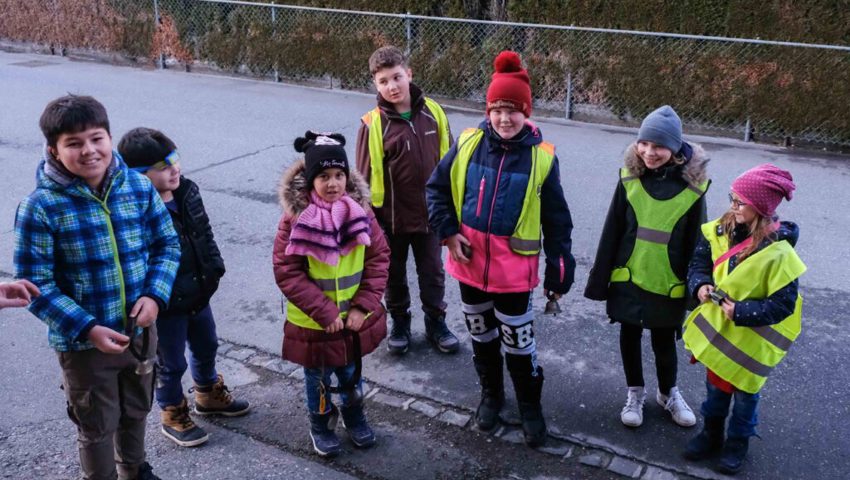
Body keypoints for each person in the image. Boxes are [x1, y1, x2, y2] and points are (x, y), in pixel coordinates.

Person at [14, 95, 180, 480]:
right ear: (53, 150)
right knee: (96, 423)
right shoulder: (41, 207)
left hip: (139, 330)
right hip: (84, 346)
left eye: (96, 138)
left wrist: (154, 295)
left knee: (137, 407)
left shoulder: (138, 188)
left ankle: (135, 469)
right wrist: (86, 327)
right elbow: (35, 283)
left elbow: (166, 245)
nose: (89, 150)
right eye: (74, 143)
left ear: (109, 137)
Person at [426, 51, 575, 447]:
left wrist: (560, 271)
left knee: (519, 344)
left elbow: (557, 220)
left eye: (513, 111)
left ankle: (529, 406)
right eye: (497, 110)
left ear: (526, 113)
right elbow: (436, 190)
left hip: (514, 276)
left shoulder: (542, 160)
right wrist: (447, 232)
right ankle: (491, 395)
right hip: (469, 266)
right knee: (482, 338)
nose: (505, 119)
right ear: (487, 111)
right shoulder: (468, 143)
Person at [118, 128, 250, 448]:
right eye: (163, 166)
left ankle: (207, 393)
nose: (174, 169)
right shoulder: (135, 211)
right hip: (166, 305)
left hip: (198, 292)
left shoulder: (187, 192)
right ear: (139, 176)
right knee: (171, 362)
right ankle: (172, 411)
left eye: (174, 159)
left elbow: (204, 233)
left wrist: (214, 267)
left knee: (207, 345)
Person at [584, 105, 710, 429]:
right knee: (629, 335)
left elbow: (700, 243)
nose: (649, 152)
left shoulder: (693, 188)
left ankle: (668, 393)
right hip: (629, 278)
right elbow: (612, 229)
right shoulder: (629, 177)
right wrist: (599, 281)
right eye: (644, 144)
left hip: (668, 283)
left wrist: (697, 291)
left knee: (664, 342)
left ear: (676, 149)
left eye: (659, 146)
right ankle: (635, 392)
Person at [274, 131, 390, 457]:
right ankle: (321, 424)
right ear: (310, 180)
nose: (333, 183)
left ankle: (354, 416)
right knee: (318, 379)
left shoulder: (360, 214)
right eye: (323, 176)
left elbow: (379, 259)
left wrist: (362, 306)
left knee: (351, 373)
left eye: (339, 175)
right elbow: (287, 271)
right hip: (315, 322)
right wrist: (324, 312)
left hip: (353, 319)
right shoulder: (295, 220)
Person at [683, 164, 803, 474]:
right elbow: (699, 263)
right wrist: (700, 286)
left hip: (749, 347)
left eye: (740, 202)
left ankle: (737, 441)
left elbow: (783, 305)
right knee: (715, 392)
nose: (733, 207)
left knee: (746, 400)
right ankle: (711, 434)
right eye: (731, 198)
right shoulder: (719, 230)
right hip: (720, 340)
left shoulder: (779, 253)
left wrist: (740, 312)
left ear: (761, 208)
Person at [356, 45, 459, 355]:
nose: (392, 86)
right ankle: (400, 322)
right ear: (376, 84)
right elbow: (360, 180)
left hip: (430, 217)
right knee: (393, 275)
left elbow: (450, 166)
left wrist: (451, 213)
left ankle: (436, 322)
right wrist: (368, 222)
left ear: (409, 74)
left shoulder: (434, 112)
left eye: (397, 77)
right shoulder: (371, 123)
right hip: (389, 221)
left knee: (433, 273)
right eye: (384, 81)